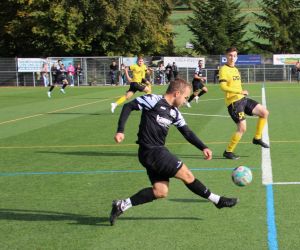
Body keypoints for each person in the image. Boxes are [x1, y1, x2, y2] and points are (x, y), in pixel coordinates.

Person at [109, 78, 238, 226]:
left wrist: (203, 147)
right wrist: (120, 131)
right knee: (187, 175)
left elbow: (187, 132)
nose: (185, 101)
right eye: (184, 97)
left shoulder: (175, 113)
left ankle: (121, 205)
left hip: (153, 153)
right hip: (152, 151)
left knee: (160, 191)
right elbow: (128, 106)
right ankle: (217, 200)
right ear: (177, 93)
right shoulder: (153, 100)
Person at [219, 47, 269, 160]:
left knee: (264, 112)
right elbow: (223, 86)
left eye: (234, 56)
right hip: (234, 103)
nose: (232, 58)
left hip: (243, 99)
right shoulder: (224, 69)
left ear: (237, 57)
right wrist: (239, 91)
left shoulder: (235, 69)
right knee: (242, 128)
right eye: (230, 55)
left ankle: (257, 138)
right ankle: (228, 151)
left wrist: (241, 93)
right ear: (226, 56)